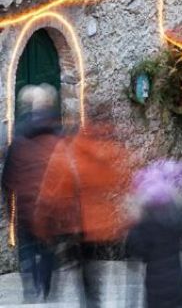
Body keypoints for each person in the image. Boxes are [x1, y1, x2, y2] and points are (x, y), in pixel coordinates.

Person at [34, 115, 133, 307]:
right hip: (104, 227)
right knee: (94, 276)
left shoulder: (70, 151)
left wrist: (41, 219)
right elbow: (117, 180)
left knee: (86, 278)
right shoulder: (111, 151)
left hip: (77, 226)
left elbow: (54, 189)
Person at [1, 84, 62, 302]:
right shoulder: (58, 135)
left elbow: (8, 177)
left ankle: (31, 288)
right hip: (49, 204)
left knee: (27, 247)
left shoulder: (19, 136)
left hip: (26, 204)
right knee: (47, 247)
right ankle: (44, 287)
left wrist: (10, 207)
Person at [127, 160, 182, 308]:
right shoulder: (176, 218)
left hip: (156, 291)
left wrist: (135, 221)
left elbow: (135, 249)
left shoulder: (145, 226)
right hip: (178, 286)